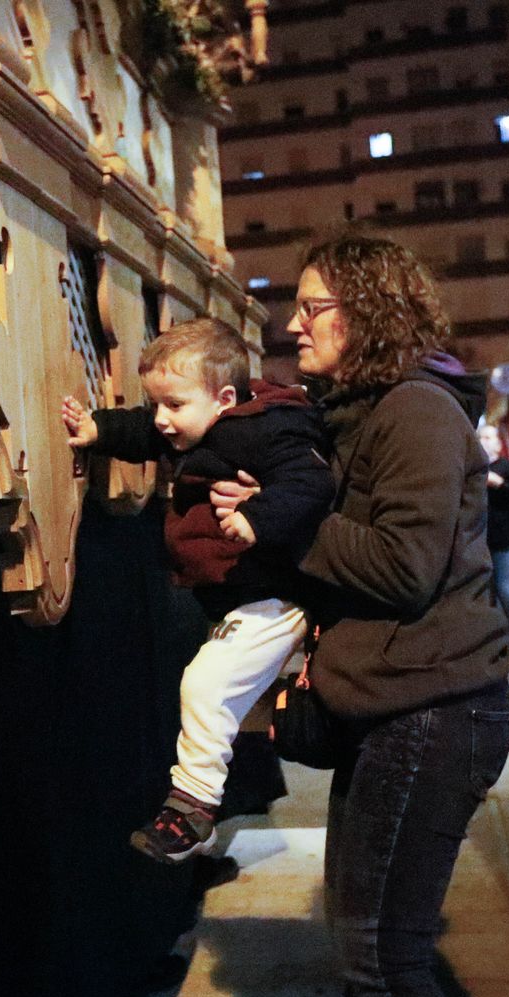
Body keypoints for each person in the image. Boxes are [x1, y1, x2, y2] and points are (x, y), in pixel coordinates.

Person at [213, 233, 509, 997]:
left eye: (313, 308)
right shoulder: (357, 412)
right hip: (398, 709)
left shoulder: (416, 410)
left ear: (368, 312)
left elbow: (403, 566)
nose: (291, 325)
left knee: (386, 958)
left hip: (432, 709)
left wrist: (277, 529)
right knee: (370, 953)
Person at [60, 318, 334, 863]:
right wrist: (97, 430)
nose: (163, 418)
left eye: (174, 405)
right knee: (213, 693)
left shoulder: (262, 428)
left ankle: (193, 808)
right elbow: (145, 430)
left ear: (224, 397)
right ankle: (200, 812)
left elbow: (311, 481)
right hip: (244, 598)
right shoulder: (208, 424)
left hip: (274, 599)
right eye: (157, 403)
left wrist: (257, 517)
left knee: (206, 686)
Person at [478, 423, 509, 644]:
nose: (483, 441)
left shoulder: (508, 468)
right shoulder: (472, 471)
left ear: (498, 444)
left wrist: (498, 484)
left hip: (506, 542)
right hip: (479, 542)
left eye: (489, 437)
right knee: (483, 596)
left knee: (506, 592)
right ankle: (490, 644)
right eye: (480, 437)